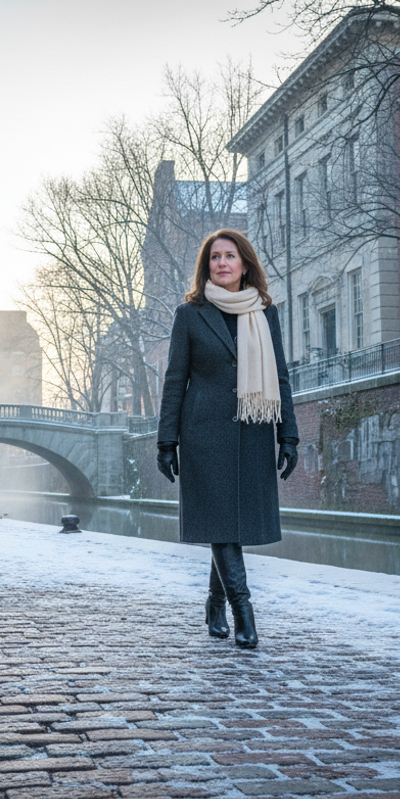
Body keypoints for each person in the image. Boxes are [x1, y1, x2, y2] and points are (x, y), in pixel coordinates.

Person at [156, 228, 298, 649]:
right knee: (222, 521)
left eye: (229, 256)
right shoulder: (190, 314)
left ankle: (214, 602)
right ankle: (243, 610)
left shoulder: (264, 312)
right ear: (207, 267)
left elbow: (281, 375)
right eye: (214, 257)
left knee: (229, 525)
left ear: (244, 264)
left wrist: (287, 435)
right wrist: (167, 441)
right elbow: (174, 379)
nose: (221, 263)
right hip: (204, 433)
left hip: (253, 429)